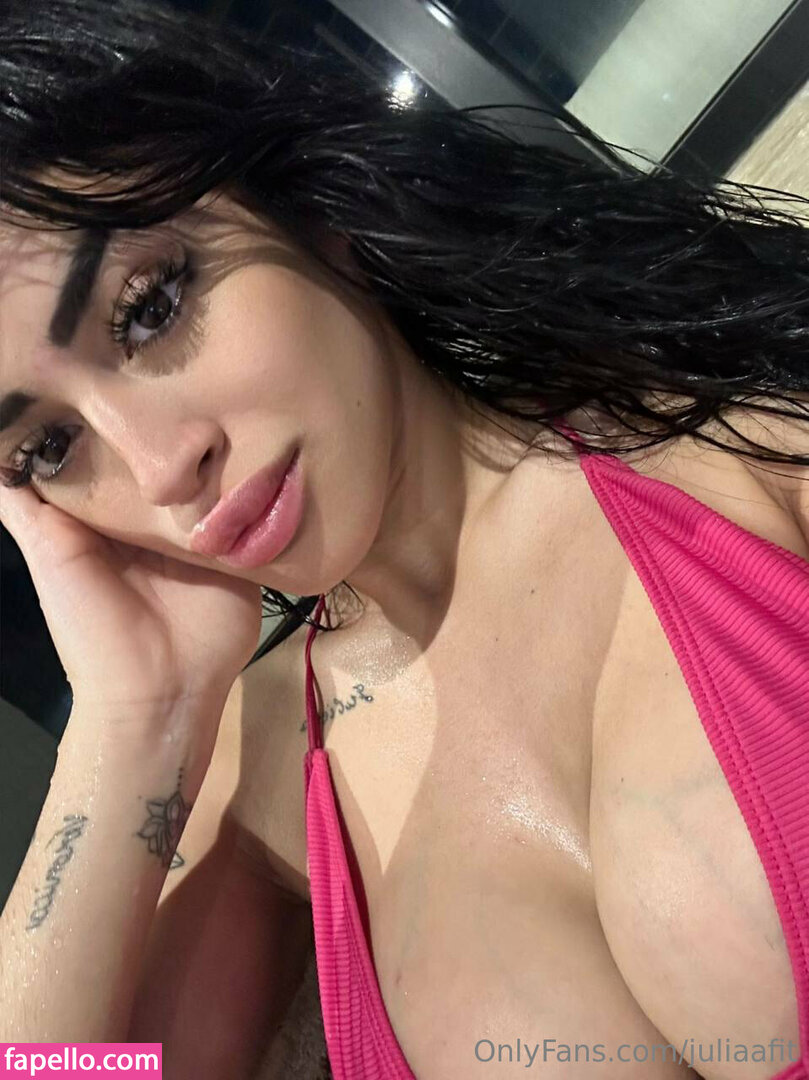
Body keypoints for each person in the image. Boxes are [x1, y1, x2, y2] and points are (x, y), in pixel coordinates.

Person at [0, 1, 808, 1078]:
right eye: (51, 447)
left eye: (150, 306)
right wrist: (131, 723)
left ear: (305, 212)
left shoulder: (741, 454)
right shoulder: (260, 769)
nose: (158, 468)